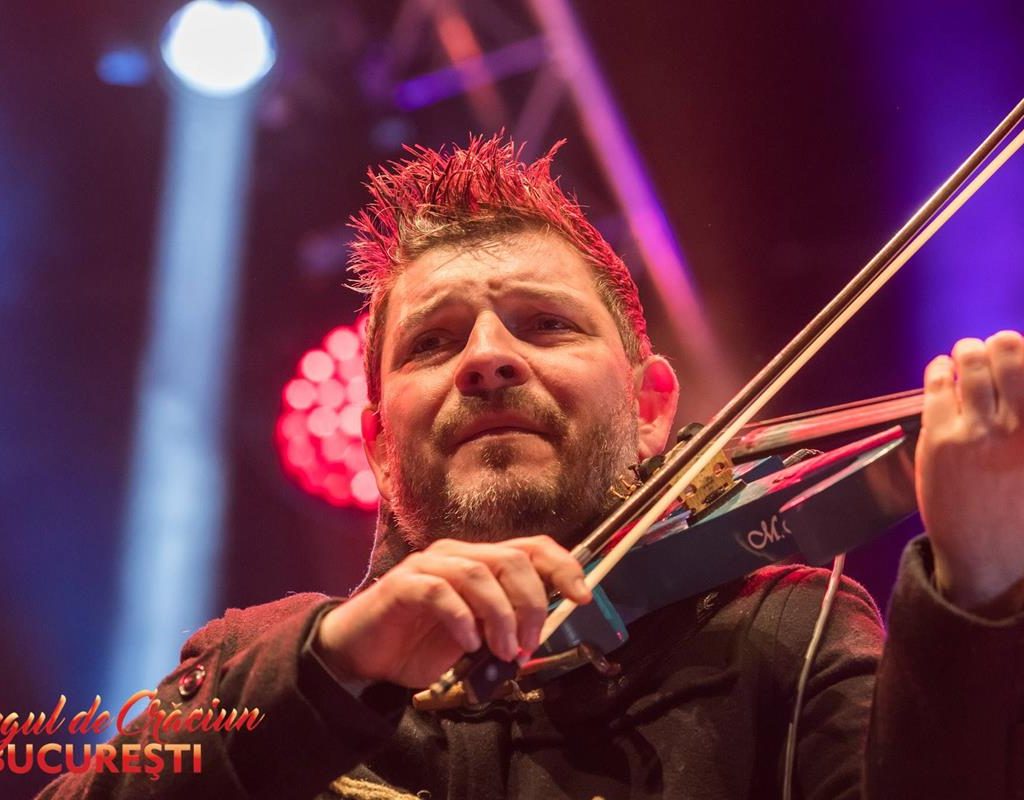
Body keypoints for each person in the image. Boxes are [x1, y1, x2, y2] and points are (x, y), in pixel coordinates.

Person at [39, 135, 1024, 799]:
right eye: (432, 341)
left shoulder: (783, 634)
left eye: (545, 324)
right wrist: (334, 666)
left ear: (651, 409)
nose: (487, 356)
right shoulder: (262, 666)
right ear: (375, 442)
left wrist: (981, 584)